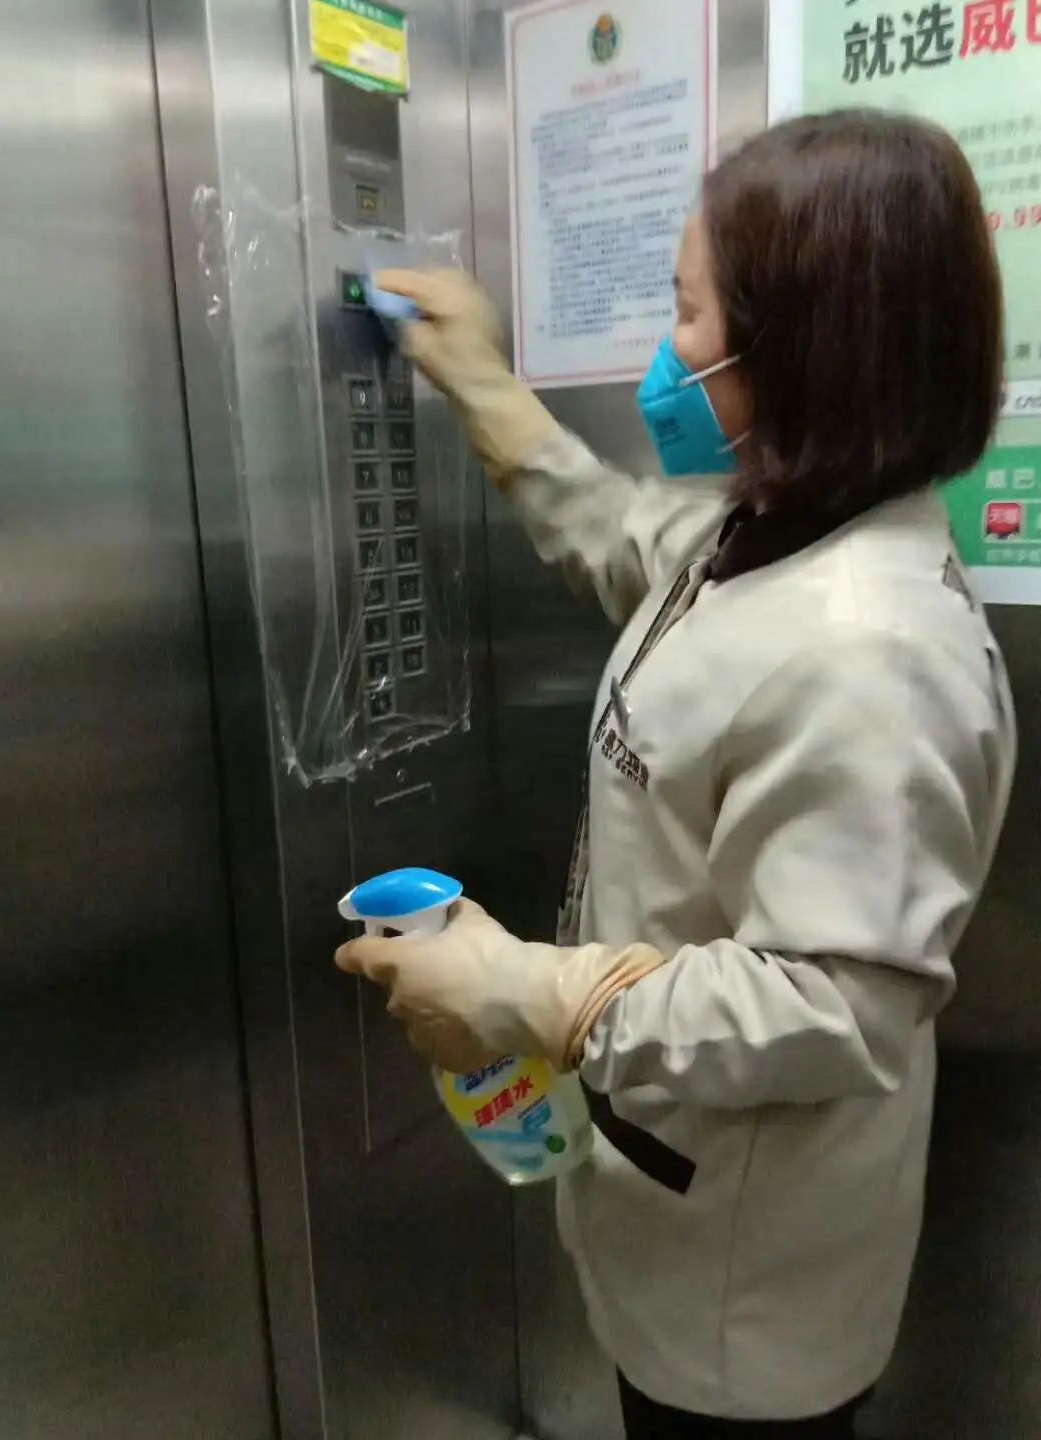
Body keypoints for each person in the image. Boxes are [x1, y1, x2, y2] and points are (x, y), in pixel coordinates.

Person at [336, 110, 1015, 1438]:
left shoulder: (875, 656)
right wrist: (486, 393)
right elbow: (629, 549)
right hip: (676, 1196)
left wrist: (526, 991)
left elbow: (834, 1006)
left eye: (689, 312)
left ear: (802, 350)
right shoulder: (773, 529)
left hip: (751, 1288)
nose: (670, 350)